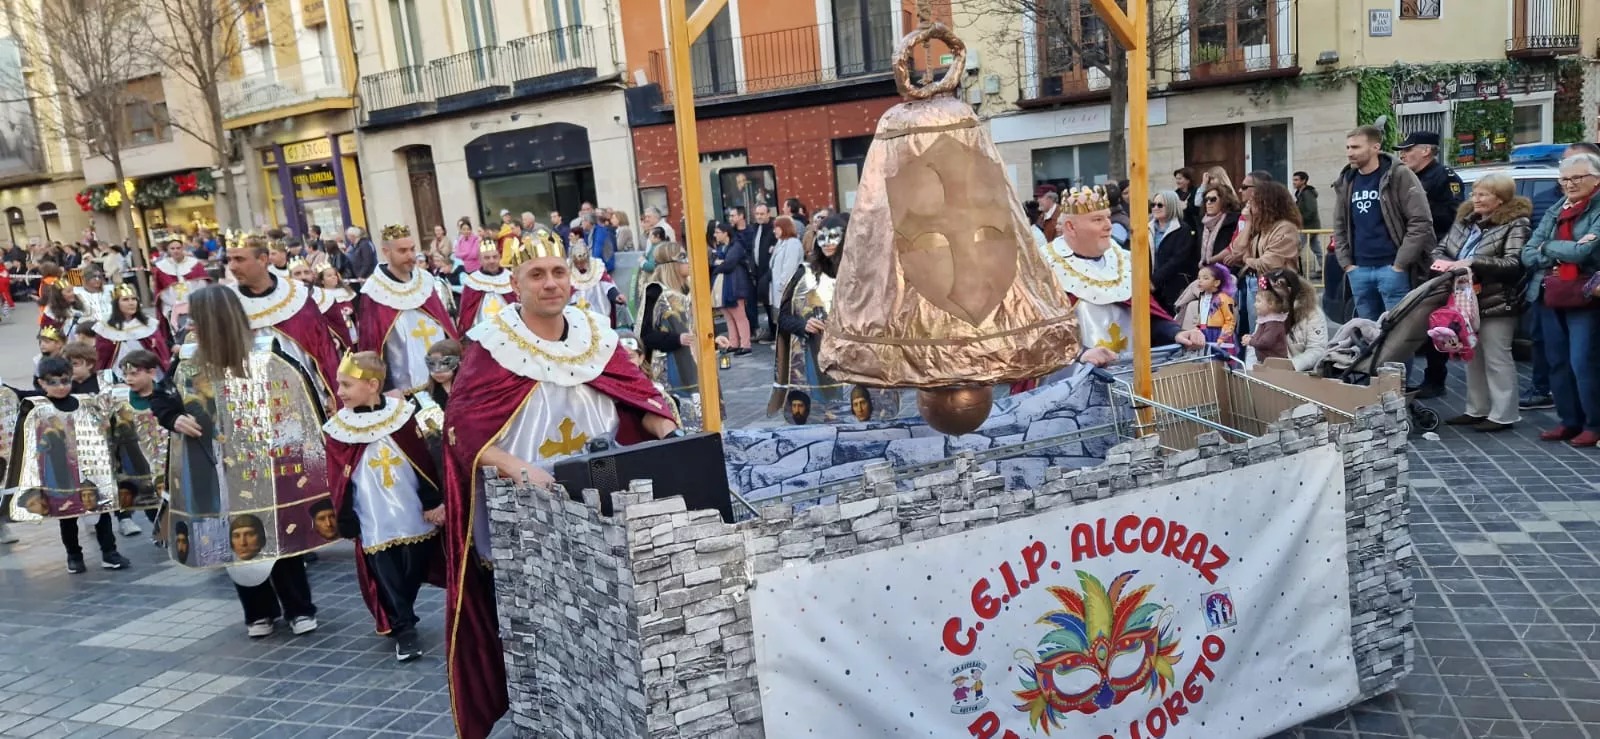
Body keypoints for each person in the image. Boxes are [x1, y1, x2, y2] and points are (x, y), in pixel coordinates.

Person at [441, 232, 677, 739]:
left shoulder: (596, 334)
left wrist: (666, 427)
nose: (551, 284)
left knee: (603, 617)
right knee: (542, 629)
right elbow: (462, 429)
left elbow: (638, 398)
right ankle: (547, 717)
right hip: (525, 513)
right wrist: (515, 467)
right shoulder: (491, 346)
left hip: (604, 498)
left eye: (558, 273)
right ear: (514, 283)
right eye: (537, 275)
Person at [151, 286, 320, 638]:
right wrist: (173, 418)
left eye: (197, 318)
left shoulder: (266, 353)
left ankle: (299, 608)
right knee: (234, 535)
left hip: (265, 462)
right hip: (215, 464)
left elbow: (300, 394)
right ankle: (258, 611)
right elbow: (163, 398)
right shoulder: (187, 360)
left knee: (275, 529)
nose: (190, 324)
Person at [323, 351, 444, 661]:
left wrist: (433, 500)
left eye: (347, 385)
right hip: (372, 517)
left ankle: (401, 610)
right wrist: (346, 516)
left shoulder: (403, 416)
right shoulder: (340, 429)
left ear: (372, 385)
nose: (340, 392)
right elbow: (339, 475)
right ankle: (405, 628)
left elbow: (423, 459)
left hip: (412, 511)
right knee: (386, 572)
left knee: (414, 567)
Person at [4, 357, 133, 573]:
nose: (60, 386)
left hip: (89, 468)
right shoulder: (37, 403)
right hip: (60, 473)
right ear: (41, 383)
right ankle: (74, 556)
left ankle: (109, 553)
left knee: (101, 511)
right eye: (52, 382)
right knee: (68, 515)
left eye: (64, 381)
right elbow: (11, 394)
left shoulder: (84, 401)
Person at [1333, 125, 1435, 384]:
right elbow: (1340, 225)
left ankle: (1397, 389)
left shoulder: (1398, 175)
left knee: (1398, 335)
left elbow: (1420, 222)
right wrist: (1347, 265)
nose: (1350, 153)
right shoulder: (1348, 179)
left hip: (1392, 269)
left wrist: (1400, 265)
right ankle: (1372, 389)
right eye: (1348, 147)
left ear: (1375, 147)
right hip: (1360, 270)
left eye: (1356, 147)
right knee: (1367, 335)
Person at [1430, 173, 1530, 432]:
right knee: (1472, 356)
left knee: (1497, 357)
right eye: (1474, 193)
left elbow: (1514, 263)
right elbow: (1440, 249)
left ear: (1500, 198)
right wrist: (1446, 264)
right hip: (1463, 299)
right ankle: (1477, 409)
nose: (1476, 199)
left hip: (1497, 300)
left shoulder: (1516, 224)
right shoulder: (1465, 222)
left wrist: (1473, 263)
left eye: (1483, 194)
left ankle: (1504, 414)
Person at [1039, 186, 1178, 367]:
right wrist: (1080, 352)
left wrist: (1175, 332)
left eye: (1107, 217)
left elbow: (1147, 317)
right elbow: (1037, 334)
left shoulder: (1123, 260)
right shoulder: (1045, 270)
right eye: (1097, 220)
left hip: (1126, 377)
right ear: (1071, 227)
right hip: (1069, 382)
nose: (1109, 225)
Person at [1521, 153, 1600, 446]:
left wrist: (1549, 247)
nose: (1570, 184)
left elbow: (1584, 253)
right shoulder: (1558, 208)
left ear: (1596, 179)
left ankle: (1594, 423)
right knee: (1557, 361)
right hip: (1552, 293)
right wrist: (1556, 250)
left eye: (1577, 177)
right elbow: (1527, 252)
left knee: (1583, 362)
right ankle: (1569, 421)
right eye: (1565, 179)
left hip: (1586, 296)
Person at [226, 236, 343, 407]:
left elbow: (323, 349)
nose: (232, 267)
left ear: (263, 260)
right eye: (229, 260)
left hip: (306, 398)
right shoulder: (225, 302)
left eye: (239, 259)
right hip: (256, 403)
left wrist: (333, 394)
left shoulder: (297, 295)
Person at [1398, 130, 1466, 398]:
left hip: (1436, 259)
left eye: (1408, 149)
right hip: (1413, 258)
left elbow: (1453, 216)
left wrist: (1416, 213)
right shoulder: (1409, 178)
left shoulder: (1444, 178)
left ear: (1426, 150)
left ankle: (1436, 379)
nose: (1402, 155)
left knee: (1436, 320)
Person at [356, 226, 460, 394]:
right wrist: (386, 387)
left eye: (412, 249)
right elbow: (373, 344)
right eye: (402, 251)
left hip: (443, 378)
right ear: (386, 252)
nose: (410, 256)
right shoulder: (374, 291)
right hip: (403, 389)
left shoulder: (425, 281)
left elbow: (444, 324)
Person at [1217, 181, 1302, 333]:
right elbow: (1236, 249)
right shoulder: (1261, 226)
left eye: (1254, 200)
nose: (1249, 203)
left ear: (1267, 203)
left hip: (1277, 289)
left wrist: (1246, 259)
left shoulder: (1285, 228)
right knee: (1254, 331)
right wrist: (1248, 222)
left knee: (1270, 334)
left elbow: (1269, 263)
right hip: (1257, 284)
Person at [640, 240, 705, 429]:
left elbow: (695, 324)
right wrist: (676, 339)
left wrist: (714, 339)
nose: (688, 262)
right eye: (683, 257)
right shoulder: (656, 292)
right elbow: (645, 335)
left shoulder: (691, 290)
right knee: (683, 421)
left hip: (697, 367)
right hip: (672, 368)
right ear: (671, 264)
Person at [93, 283, 170, 381]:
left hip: (148, 373)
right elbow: (102, 358)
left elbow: (160, 351)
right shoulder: (106, 328)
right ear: (116, 303)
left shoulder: (149, 324)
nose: (131, 303)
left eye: (134, 299)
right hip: (119, 374)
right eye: (125, 299)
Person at [1262, 268, 1330, 372]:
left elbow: (1317, 349)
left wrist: (1292, 365)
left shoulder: (1312, 313)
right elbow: (1255, 344)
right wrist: (1251, 371)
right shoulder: (1267, 309)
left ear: (1288, 291)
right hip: (1267, 372)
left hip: (1301, 373)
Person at [1148, 189, 1198, 313]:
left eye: (1160, 205)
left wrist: (1154, 280)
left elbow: (1178, 259)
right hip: (1149, 288)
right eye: (1153, 205)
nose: (1155, 208)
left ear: (1171, 206)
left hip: (1172, 288)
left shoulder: (1183, 229)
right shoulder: (1146, 228)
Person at [152, 238, 211, 337]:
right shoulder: (162, 267)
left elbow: (202, 285)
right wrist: (176, 305)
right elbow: (161, 292)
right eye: (172, 248)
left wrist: (192, 301)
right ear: (168, 250)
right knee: (179, 333)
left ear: (183, 248)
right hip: (172, 306)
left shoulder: (194, 264)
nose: (176, 251)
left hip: (195, 304)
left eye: (178, 248)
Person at [1173, 263, 1238, 351]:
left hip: (1218, 333)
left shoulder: (1224, 299)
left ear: (1216, 282)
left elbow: (1230, 321)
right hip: (1204, 333)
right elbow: (1202, 320)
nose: (1200, 281)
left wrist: (1223, 337)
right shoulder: (1203, 297)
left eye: (1205, 278)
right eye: (1199, 278)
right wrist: (1197, 330)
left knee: (1219, 360)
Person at [456, 242, 517, 335]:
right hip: (482, 330)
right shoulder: (473, 281)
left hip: (510, 328)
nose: (492, 261)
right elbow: (467, 310)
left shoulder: (510, 278)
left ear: (499, 257)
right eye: (487, 258)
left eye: (495, 257)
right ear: (480, 260)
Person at [712, 222, 753, 355]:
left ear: (725, 233)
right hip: (724, 287)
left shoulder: (736, 246)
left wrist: (717, 266)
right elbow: (714, 261)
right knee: (729, 316)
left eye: (717, 232)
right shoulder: (722, 248)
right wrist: (718, 263)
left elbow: (729, 264)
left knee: (739, 316)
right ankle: (734, 343)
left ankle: (745, 345)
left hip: (735, 285)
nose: (715, 235)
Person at [568, 241, 625, 328]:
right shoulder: (568, 271)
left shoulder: (597, 268)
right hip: (577, 316)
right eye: (577, 263)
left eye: (582, 262)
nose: (580, 265)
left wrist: (616, 296)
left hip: (599, 313)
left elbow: (607, 285)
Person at [747, 204, 779, 343]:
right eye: (757, 214)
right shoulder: (755, 229)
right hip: (759, 272)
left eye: (762, 214)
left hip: (770, 273)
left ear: (768, 214)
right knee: (766, 303)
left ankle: (776, 332)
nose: (759, 216)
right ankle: (772, 332)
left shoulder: (773, 229)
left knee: (773, 303)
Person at [1242, 281, 1290, 365]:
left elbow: (1265, 342)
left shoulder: (1274, 324)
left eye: (1258, 301)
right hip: (1266, 363)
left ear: (1271, 304)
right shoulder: (1266, 320)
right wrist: (1251, 337)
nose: (1254, 304)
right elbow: (1261, 336)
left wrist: (1250, 341)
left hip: (1275, 365)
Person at [1195, 180, 1242, 266]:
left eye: (1213, 199)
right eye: (1206, 200)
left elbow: (1236, 250)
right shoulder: (1201, 223)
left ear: (1224, 201)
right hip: (1204, 273)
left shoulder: (1234, 222)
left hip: (1227, 272)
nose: (1208, 203)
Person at [313, 265, 359, 349]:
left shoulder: (345, 291)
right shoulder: (320, 296)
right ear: (322, 281)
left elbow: (352, 306)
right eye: (329, 276)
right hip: (334, 329)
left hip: (350, 325)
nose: (334, 277)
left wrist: (350, 310)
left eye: (334, 275)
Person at [425, 338, 462, 407]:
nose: (437, 370)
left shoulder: (471, 389)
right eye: (432, 364)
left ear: (457, 363)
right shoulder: (424, 396)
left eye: (445, 363)